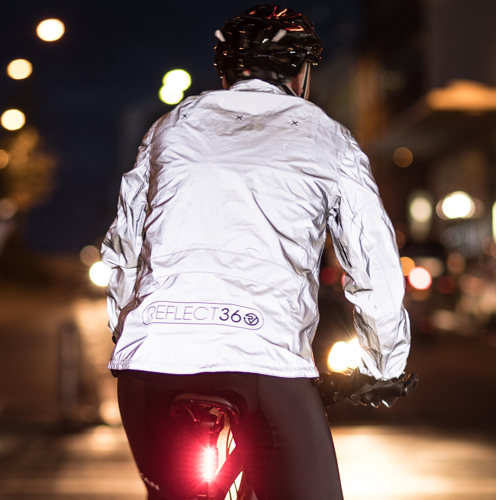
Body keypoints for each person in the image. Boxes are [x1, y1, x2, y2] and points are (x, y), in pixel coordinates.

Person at [100, 5, 411, 499]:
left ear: (227, 70)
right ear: (301, 71)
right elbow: (372, 259)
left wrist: (128, 333)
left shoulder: (170, 127)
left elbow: (123, 250)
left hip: (151, 362)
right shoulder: (326, 136)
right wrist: (383, 364)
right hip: (263, 360)